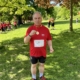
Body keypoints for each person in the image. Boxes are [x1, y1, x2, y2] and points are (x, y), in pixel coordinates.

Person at [24, 11, 54, 80]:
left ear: (41, 19)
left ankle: (41, 76)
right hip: (33, 52)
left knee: (42, 65)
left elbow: (49, 39)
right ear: (33, 19)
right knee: (33, 65)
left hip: (42, 52)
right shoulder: (30, 29)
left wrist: (51, 47)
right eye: (35, 18)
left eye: (39, 18)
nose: (37, 20)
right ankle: (33, 78)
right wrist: (30, 34)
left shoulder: (46, 29)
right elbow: (25, 41)